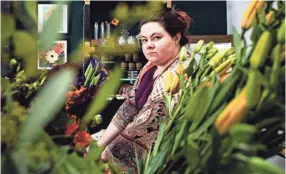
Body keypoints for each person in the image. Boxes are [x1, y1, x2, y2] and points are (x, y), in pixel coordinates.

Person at [96, 7, 192, 173]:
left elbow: (146, 125)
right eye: (144, 40)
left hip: (158, 160)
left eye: (156, 38)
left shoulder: (182, 72)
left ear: (176, 37)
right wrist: (100, 144)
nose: (149, 45)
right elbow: (129, 108)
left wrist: (107, 153)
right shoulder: (150, 67)